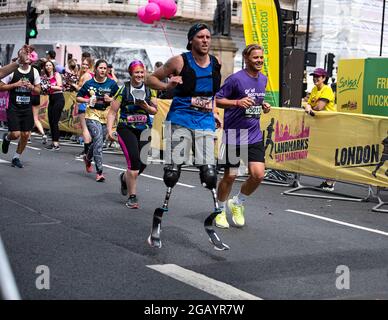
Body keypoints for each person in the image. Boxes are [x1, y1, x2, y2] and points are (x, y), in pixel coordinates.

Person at [145, 23, 228, 250]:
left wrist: (214, 113)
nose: (205, 40)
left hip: (204, 121)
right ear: (191, 40)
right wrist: (167, 84)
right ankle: (160, 215)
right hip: (180, 119)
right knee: (173, 172)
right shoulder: (179, 61)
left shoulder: (216, 63)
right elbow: (149, 80)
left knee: (210, 173)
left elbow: (210, 95)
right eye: (200, 37)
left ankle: (214, 215)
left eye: (208, 37)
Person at [214, 44, 271, 229]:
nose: (259, 61)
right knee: (229, 176)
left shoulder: (263, 79)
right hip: (233, 136)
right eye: (256, 58)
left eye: (261, 58)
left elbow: (255, 101)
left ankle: (237, 202)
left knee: (258, 175)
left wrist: (263, 106)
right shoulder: (235, 79)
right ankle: (220, 209)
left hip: (253, 135)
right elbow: (218, 100)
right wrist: (237, 102)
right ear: (246, 59)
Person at [107, 60, 158, 208]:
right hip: (126, 129)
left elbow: (154, 110)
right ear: (131, 74)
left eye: (142, 72)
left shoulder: (150, 90)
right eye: (137, 72)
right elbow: (112, 112)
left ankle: (124, 178)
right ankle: (132, 197)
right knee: (134, 162)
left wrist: (145, 106)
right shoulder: (123, 90)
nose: (140, 75)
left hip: (144, 129)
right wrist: (110, 130)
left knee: (143, 162)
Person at [76, 59, 119, 182]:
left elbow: (118, 98)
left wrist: (110, 99)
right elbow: (78, 97)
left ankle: (87, 158)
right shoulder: (89, 83)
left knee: (97, 142)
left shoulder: (111, 84)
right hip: (92, 115)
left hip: (106, 116)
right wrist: (87, 100)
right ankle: (99, 172)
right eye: (101, 68)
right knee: (98, 140)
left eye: (105, 68)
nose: (103, 70)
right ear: (95, 69)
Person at [0, 53, 41, 168]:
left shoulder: (34, 72)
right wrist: (15, 85)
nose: (28, 58)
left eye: (30, 56)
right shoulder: (12, 71)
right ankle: (7, 138)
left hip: (27, 107)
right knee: (15, 134)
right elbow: (1, 86)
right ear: (21, 58)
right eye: (26, 56)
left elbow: (38, 90)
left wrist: (31, 87)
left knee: (26, 134)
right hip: (13, 107)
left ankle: (16, 157)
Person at [304, 67, 336, 191]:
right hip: (320, 127)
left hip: (330, 126)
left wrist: (308, 107)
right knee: (324, 154)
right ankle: (328, 181)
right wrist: (308, 106)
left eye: (318, 76)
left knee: (329, 155)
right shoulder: (314, 89)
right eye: (314, 76)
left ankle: (330, 182)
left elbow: (318, 107)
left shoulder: (327, 89)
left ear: (324, 78)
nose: (315, 78)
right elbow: (309, 104)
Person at [41, 60, 65, 150]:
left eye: (49, 65)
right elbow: (45, 89)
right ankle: (53, 142)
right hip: (51, 98)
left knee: (55, 121)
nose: (48, 67)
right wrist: (43, 89)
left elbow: (60, 87)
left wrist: (49, 86)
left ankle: (56, 144)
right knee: (51, 121)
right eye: (46, 65)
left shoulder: (56, 74)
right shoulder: (45, 77)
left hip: (59, 98)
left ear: (53, 66)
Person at [76, 57, 94, 156]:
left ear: (90, 66)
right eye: (83, 64)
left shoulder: (87, 75)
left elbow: (82, 89)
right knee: (88, 128)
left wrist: (75, 86)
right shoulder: (91, 74)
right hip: (88, 103)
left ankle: (86, 151)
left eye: (87, 65)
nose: (84, 66)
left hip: (84, 102)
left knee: (85, 128)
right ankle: (88, 150)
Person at [31, 59, 47, 144]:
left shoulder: (31, 75)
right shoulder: (42, 76)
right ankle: (43, 134)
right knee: (36, 118)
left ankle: (28, 137)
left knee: (29, 118)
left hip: (30, 96)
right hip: (37, 97)